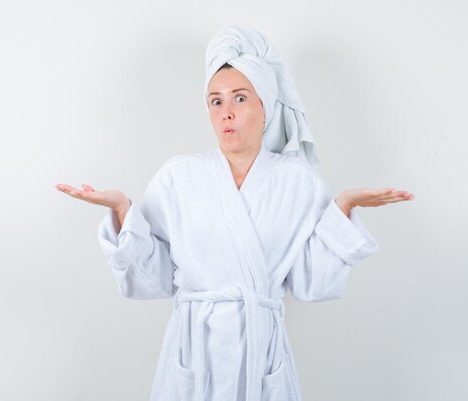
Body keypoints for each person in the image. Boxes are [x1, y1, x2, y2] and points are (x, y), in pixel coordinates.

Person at [56, 25, 414, 401]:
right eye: (216, 101)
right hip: (192, 354)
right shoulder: (178, 177)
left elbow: (311, 284)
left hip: (262, 359)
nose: (227, 113)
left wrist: (343, 208)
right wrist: (122, 211)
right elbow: (155, 277)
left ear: (265, 106)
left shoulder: (298, 183)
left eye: (240, 99)